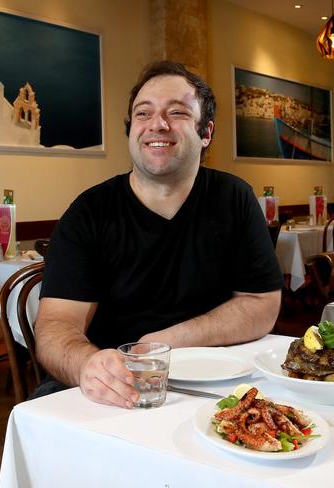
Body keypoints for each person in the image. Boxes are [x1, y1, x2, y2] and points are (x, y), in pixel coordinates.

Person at [34, 60, 282, 408]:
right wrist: (88, 364)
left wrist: (166, 343)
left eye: (177, 112)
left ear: (205, 132)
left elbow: (262, 305)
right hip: (113, 385)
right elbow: (55, 325)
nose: (157, 125)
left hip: (214, 379)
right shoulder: (88, 213)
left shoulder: (234, 198)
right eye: (143, 113)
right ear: (130, 129)